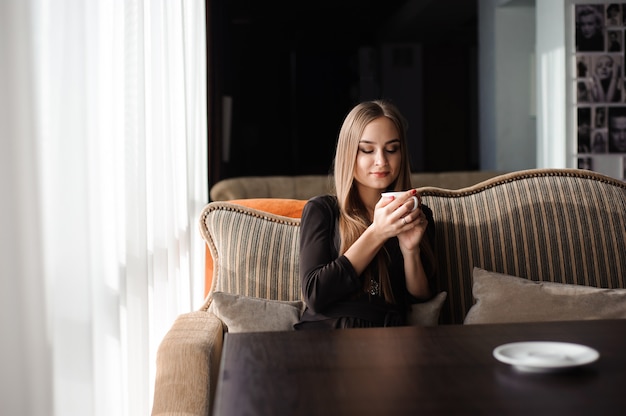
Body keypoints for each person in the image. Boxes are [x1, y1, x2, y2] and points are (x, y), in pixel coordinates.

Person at [294, 100, 437, 330]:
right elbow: (315, 295)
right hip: (326, 333)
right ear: (349, 153)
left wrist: (411, 251)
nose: (381, 160)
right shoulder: (323, 211)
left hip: (388, 339)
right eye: (367, 150)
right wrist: (377, 233)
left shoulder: (416, 215)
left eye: (392, 149)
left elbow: (421, 298)